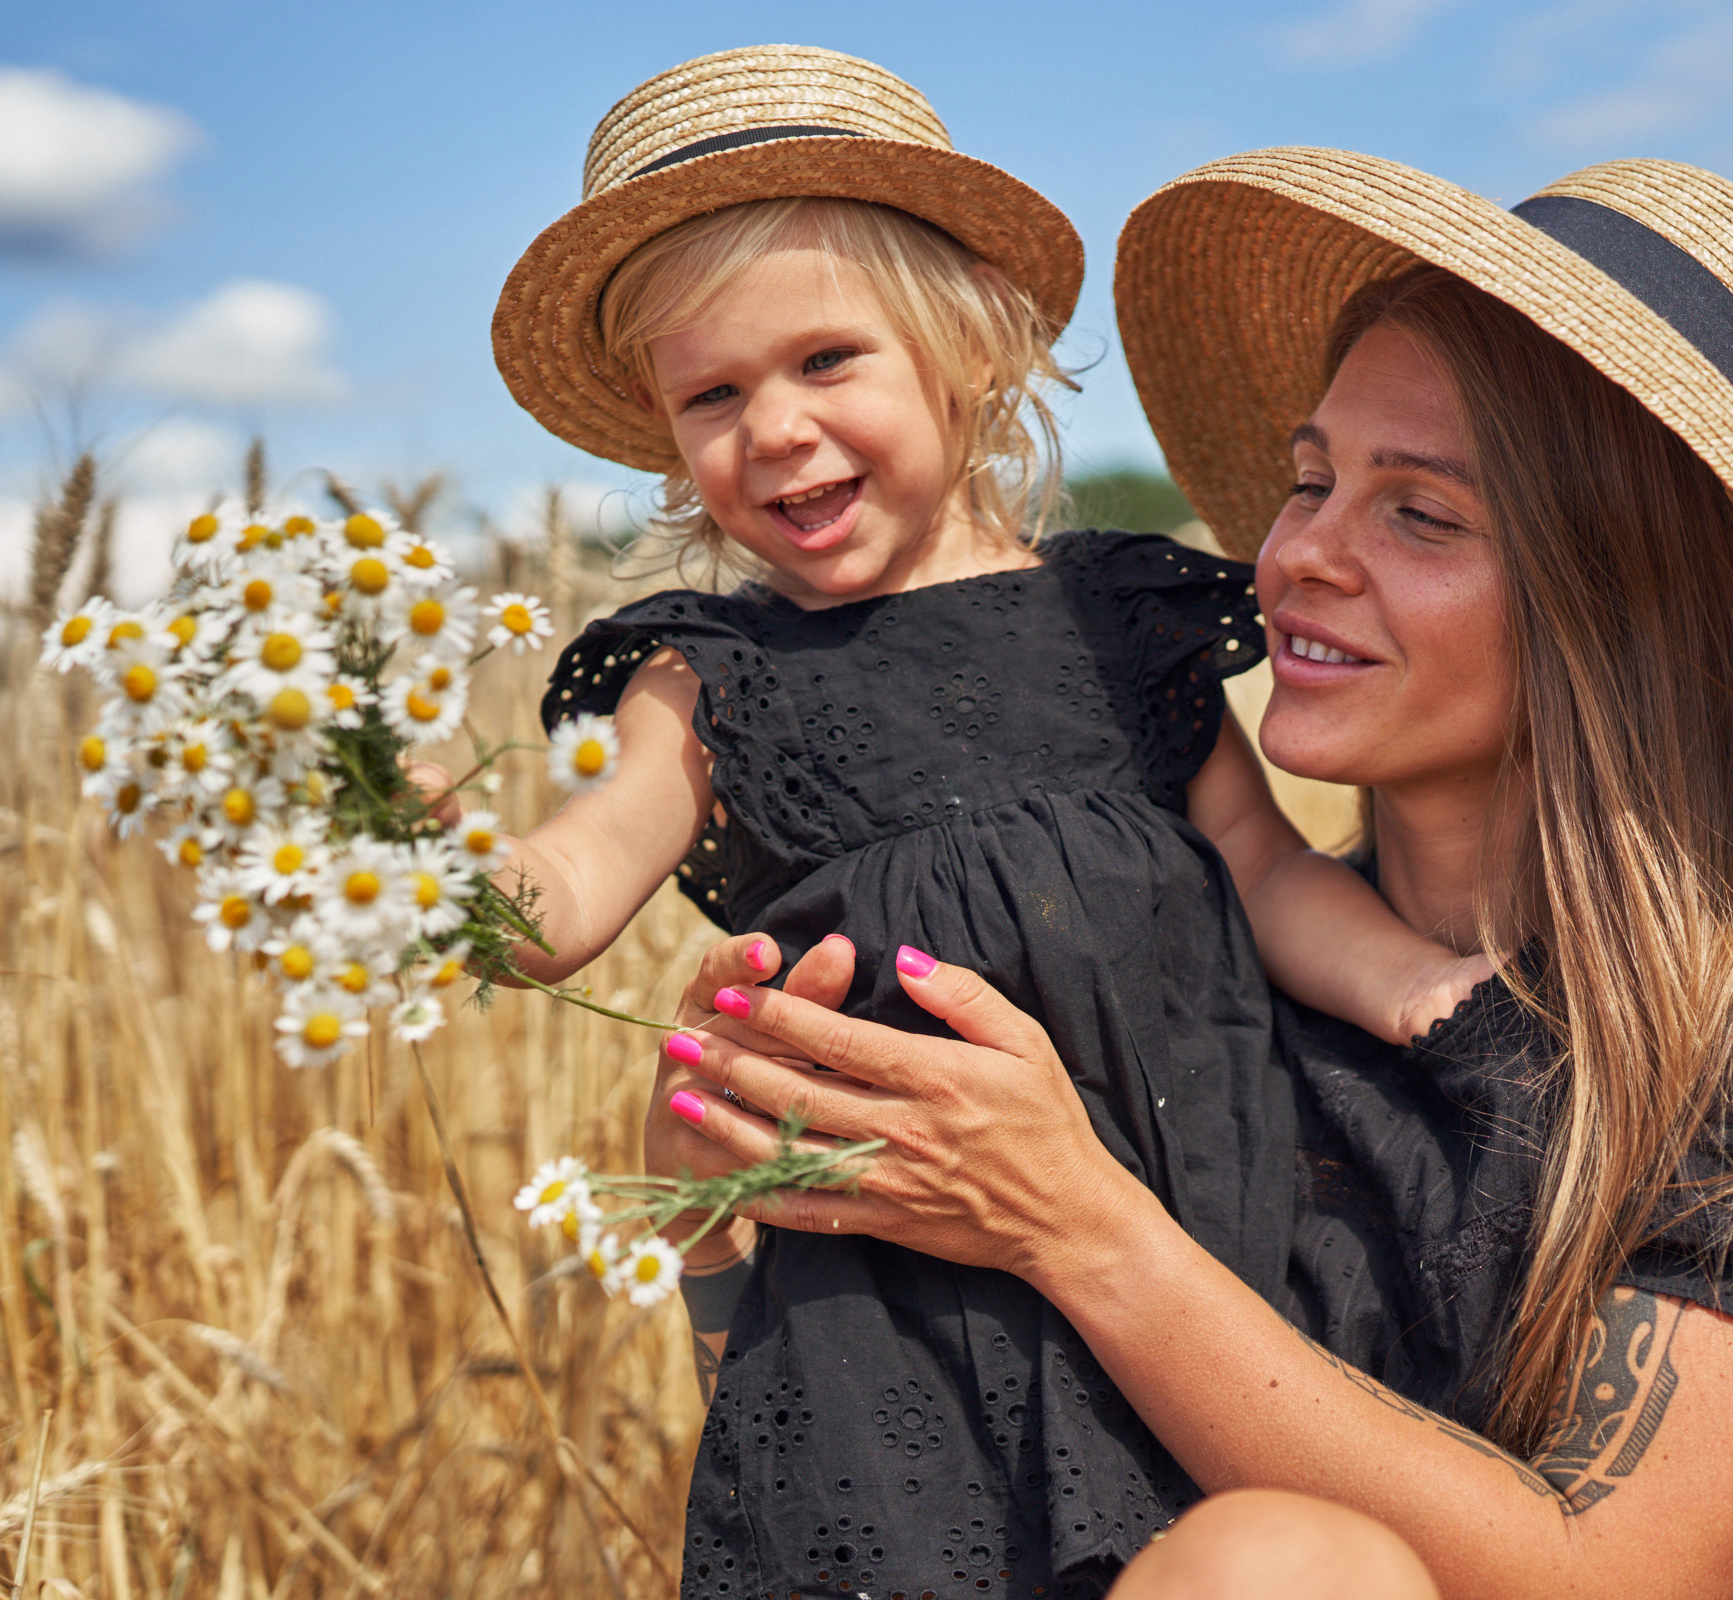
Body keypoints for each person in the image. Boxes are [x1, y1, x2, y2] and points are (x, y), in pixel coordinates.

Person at [655, 149, 1733, 1600]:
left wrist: (1077, 1226)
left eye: (1422, 515)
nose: (1298, 553)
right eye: (1311, 481)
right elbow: (926, 1499)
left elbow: (1626, 1572)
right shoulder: (1193, 969)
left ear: (1630, 609)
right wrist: (735, 1226)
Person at [460, 47, 1488, 1600]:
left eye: (826, 361)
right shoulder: (708, 677)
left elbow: (1263, 867)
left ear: (970, 353)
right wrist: (414, 869)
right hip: (886, 1326)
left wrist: (1420, 988)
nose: (777, 429)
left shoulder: (1113, 618)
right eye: (714, 396)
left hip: (1195, 1244)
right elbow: (572, 885)